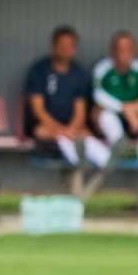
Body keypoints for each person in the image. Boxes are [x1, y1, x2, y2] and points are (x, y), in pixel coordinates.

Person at [24, 26, 106, 168]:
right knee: (42, 132)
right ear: (53, 47)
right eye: (62, 45)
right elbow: (38, 109)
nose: (66, 49)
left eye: (70, 45)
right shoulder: (39, 70)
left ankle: (104, 159)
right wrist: (61, 130)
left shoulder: (80, 73)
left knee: (85, 133)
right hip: (48, 126)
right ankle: (78, 160)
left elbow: (80, 111)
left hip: (72, 128)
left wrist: (71, 130)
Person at [92, 31, 138, 165]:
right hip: (113, 119)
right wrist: (124, 109)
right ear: (112, 50)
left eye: (127, 48)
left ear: (134, 50)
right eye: (119, 48)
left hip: (137, 121)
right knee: (100, 112)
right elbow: (97, 95)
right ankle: (121, 152)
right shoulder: (102, 68)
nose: (123, 52)